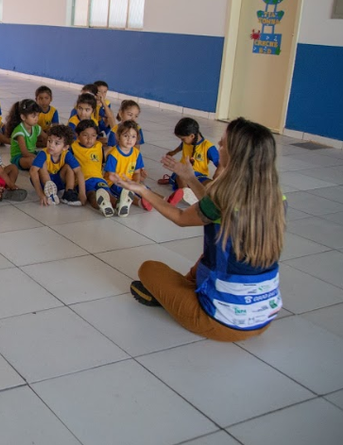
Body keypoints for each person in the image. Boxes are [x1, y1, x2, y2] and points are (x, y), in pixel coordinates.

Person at [116, 118, 283, 342]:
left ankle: (174, 299)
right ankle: (181, 292)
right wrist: (191, 178)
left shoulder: (223, 198)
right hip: (263, 319)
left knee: (149, 270)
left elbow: (180, 217)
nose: (219, 146)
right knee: (208, 257)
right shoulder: (276, 199)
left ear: (236, 154)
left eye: (224, 144)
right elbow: (220, 207)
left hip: (219, 322)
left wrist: (142, 190)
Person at [162, 118, 220, 206]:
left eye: (183, 139)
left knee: (209, 184)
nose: (182, 141)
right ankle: (187, 194)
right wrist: (173, 152)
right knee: (181, 177)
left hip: (199, 176)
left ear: (192, 136)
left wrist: (218, 175)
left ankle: (195, 193)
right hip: (183, 172)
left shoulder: (208, 147)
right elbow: (181, 146)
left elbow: (220, 164)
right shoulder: (187, 142)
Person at [104, 120, 152, 215]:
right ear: (118, 137)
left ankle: (164, 200)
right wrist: (126, 185)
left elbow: (137, 173)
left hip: (129, 180)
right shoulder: (113, 155)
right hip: (115, 183)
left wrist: (136, 183)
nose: (129, 140)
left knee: (144, 188)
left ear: (137, 138)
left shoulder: (136, 153)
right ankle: (139, 202)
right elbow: (111, 176)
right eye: (126, 136)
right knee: (125, 192)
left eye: (133, 137)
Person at [30, 125, 85, 207]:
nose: (51, 145)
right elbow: (33, 171)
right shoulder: (43, 153)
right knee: (42, 164)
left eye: (56, 143)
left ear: (65, 147)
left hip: (58, 180)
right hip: (43, 182)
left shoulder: (66, 154)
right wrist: (41, 194)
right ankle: (49, 189)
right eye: (49, 141)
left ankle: (68, 193)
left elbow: (78, 171)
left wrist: (82, 193)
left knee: (69, 167)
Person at [71, 119, 114, 217]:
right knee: (91, 195)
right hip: (83, 181)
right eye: (85, 135)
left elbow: (103, 163)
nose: (89, 139)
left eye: (93, 136)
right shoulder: (73, 147)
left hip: (99, 178)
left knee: (107, 193)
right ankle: (103, 206)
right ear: (77, 135)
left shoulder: (99, 146)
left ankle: (119, 205)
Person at [7, 99, 43, 171]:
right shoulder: (19, 131)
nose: (36, 119)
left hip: (32, 153)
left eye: (37, 116)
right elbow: (24, 153)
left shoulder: (36, 127)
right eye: (33, 116)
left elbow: (47, 138)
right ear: (23, 117)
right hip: (19, 157)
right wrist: (39, 158)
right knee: (32, 161)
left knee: (46, 155)